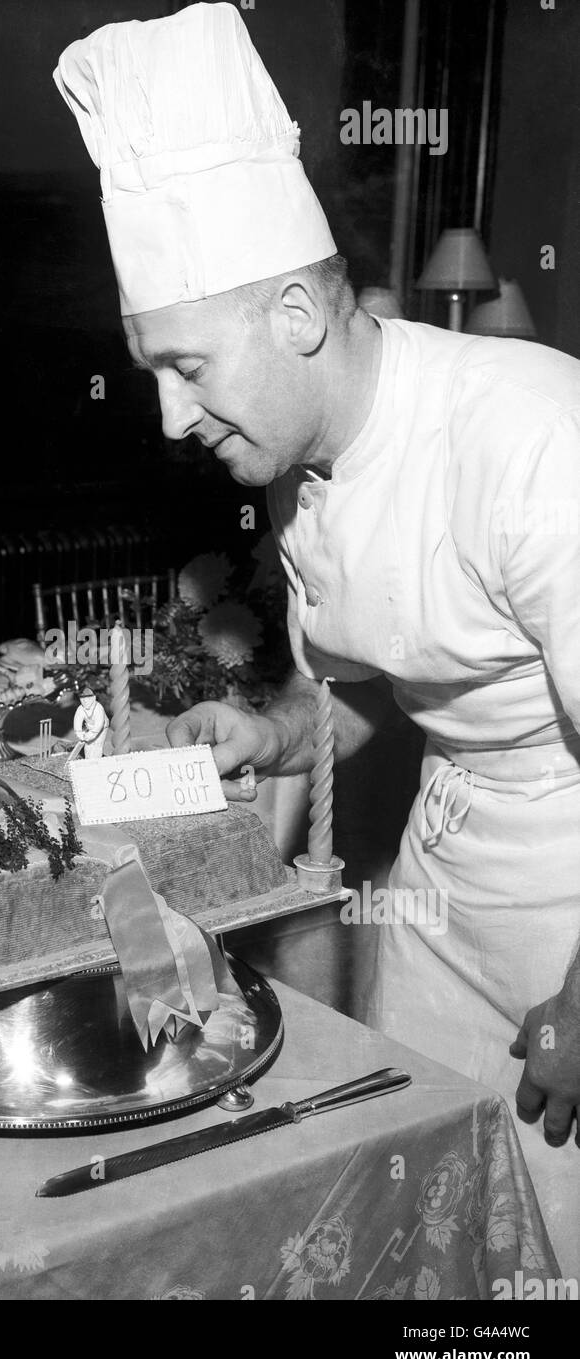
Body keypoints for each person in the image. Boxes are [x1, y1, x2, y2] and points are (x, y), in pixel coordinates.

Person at [55, 2, 580, 1277]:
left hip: (565, 904)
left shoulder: (532, 443)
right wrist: (274, 726)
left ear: (296, 313)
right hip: (438, 886)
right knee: (421, 1226)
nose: (172, 417)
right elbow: (366, 693)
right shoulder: (298, 470)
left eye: (185, 365)